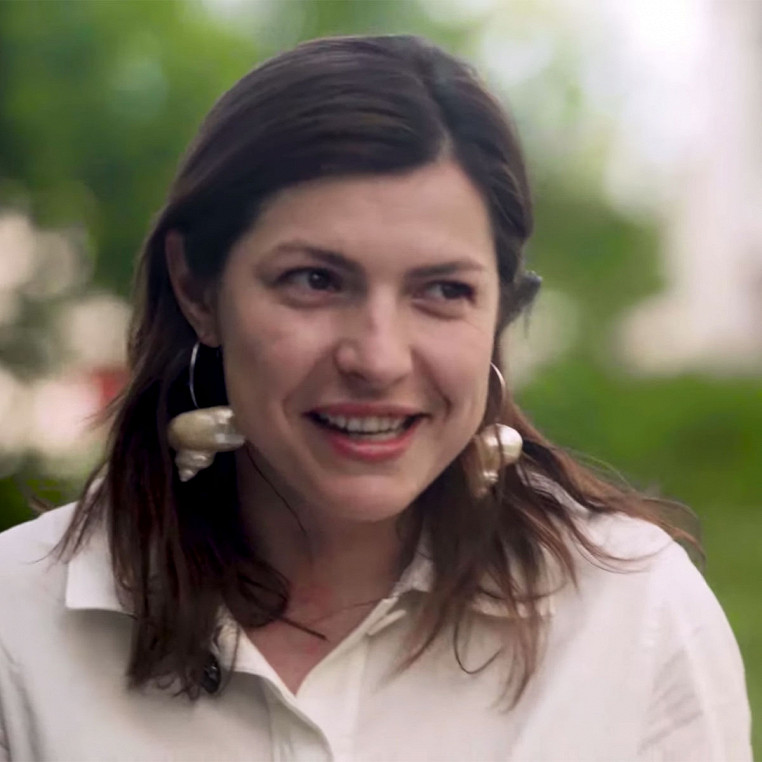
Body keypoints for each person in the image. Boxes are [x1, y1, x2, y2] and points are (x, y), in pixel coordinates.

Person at [0, 34, 751, 761]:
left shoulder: (631, 617)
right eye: (315, 281)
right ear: (197, 289)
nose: (378, 358)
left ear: (500, 312)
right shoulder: (20, 626)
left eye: (443, 291)